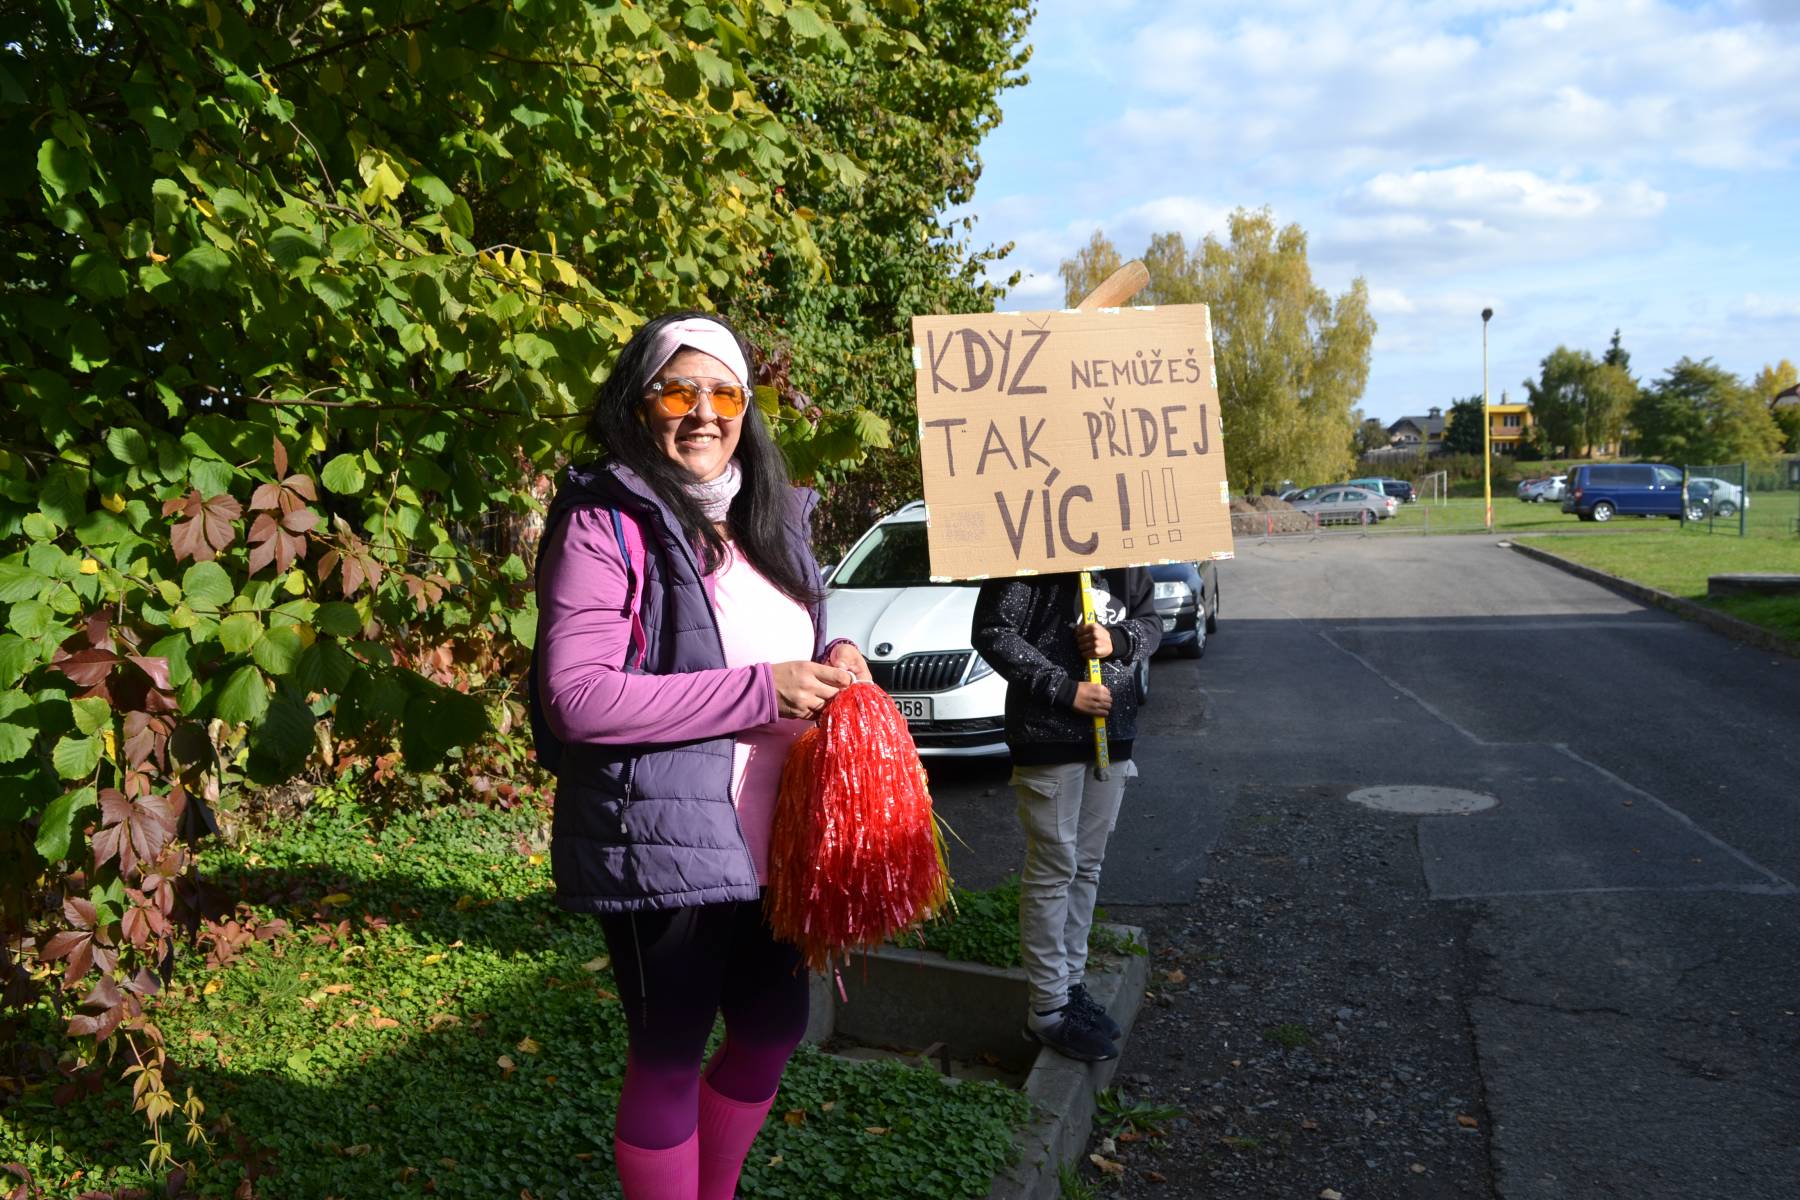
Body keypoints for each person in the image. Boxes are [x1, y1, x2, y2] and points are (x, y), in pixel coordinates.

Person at [532, 312, 869, 1200]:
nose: (705, 413)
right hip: (664, 837)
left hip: (777, 838)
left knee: (771, 1031)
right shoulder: (605, 521)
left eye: (724, 393)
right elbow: (577, 697)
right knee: (670, 1053)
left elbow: (795, 639)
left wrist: (836, 657)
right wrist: (762, 691)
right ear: (639, 405)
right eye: (679, 392)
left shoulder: (770, 517)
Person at [971, 569, 1159, 1062]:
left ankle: (1070, 988)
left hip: (1113, 734)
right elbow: (992, 631)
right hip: (1048, 736)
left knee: (1087, 866)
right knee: (1054, 869)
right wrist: (1063, 689)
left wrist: (1118, 640)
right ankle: (1048, 1009)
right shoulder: (1024, 555)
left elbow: (1151, 622)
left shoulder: (1129, 554)